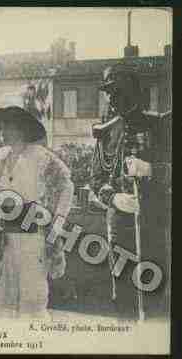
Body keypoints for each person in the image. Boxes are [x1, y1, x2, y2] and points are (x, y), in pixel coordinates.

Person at [91, 64, 171, 320]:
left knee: (154, 287)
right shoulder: (106, 134)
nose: (113, 99)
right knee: (123, 290)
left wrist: (152, 169)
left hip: (154, 221)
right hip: (120, 223)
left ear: (135, 93)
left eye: (119, 92)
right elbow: (96, 179)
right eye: (110, 93)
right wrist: (113, 197)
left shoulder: (159, 126)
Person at [0, 91, 74, 319]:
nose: (3, 131)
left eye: (10, 125)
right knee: (3, 297)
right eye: (1, 126)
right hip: (4, 239)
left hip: (33, 238)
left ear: (23, 127)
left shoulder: (41, 157)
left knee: (32, 298)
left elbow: (66, 186)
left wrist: (58, 221)